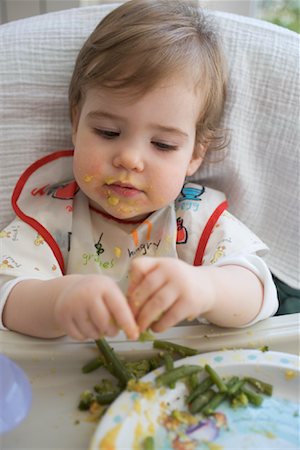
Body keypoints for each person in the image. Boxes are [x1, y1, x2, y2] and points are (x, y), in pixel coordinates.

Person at [0, 0, 278, 341]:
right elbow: (8, 299)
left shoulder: (194, 217)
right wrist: (59, 299)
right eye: (107, 133)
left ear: (195, 154)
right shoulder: (50, 217)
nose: (130, 159)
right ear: (76, 124)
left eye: (162, 145)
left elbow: (259, 292)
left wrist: (206, 288)